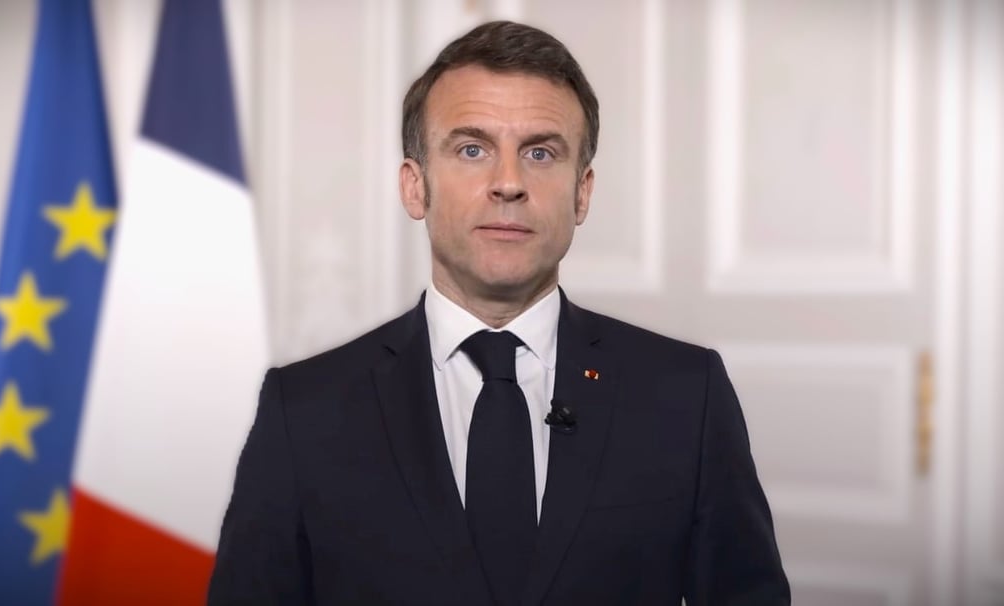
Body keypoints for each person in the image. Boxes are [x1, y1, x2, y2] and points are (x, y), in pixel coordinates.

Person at [208, 20, 790, 605]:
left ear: (582, 192)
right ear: (415, 187)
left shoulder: (687, 395)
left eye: (540, 152)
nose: (508, 182)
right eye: (472, 149)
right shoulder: (303, 410)